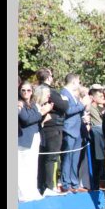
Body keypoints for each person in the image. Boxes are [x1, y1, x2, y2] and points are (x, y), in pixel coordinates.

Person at [36, 68, 69, 196]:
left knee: (44, 158)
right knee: (51, 157)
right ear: (49, 78)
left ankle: (43, 185)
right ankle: (48, 186)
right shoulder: (50, 91)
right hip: (53, 127)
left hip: (47, 127)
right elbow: (64, 106)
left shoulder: (37, 88)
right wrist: (64, 99)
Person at [18, 81, 53, 201]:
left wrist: (40, 114)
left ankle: (32, 191)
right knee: (22, 168)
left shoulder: (33, 104)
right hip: (23, 139)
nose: (26, 92)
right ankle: (22, 194)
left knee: (32, 167)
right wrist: (41, 112)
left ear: (32, 92)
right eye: (23, 90)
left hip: (34, 137)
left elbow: (35, 119)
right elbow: (26, 120)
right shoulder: (19, 103)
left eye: (28, 90)